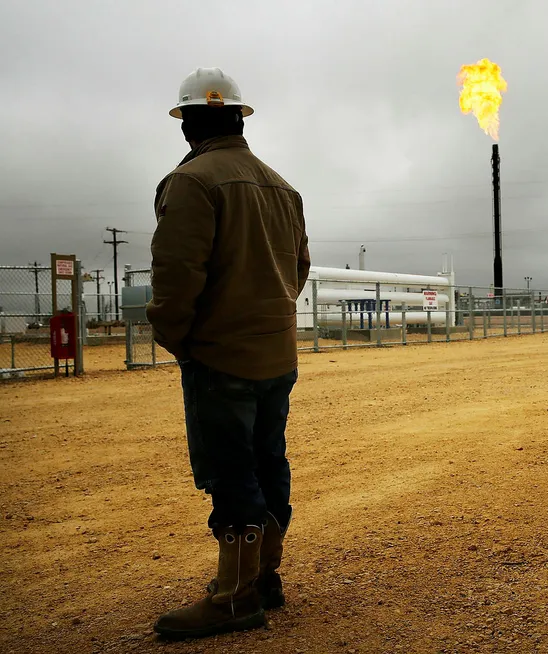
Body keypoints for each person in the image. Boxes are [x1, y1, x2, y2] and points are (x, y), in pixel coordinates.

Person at [147, 67, 311, 639]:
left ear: (188, 121)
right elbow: (300, 269)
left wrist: (183, 339)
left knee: (230, 471)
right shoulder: (280, 186)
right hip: (276, 355)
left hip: (221, 357)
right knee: (270, 460)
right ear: (240, 118)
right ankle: (265, 578)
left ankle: (236, 597)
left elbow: (174, 277)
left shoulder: (192, 182)